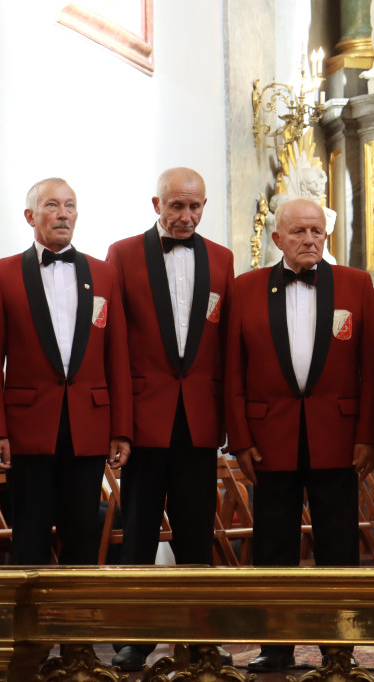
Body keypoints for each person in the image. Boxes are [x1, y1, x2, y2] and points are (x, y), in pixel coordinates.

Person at [225, 197, 374, 672]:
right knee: (273, 547)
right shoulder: (245, 288)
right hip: (269, 440)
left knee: (339, 548)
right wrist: (239, 438)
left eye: (316, 231)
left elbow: (371, 368)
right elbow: (233, 370)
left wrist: (368, 434)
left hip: (338, 438)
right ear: (278, 239)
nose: (310, 239)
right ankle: (276, 646)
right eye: (298, 232)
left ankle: (340, 647)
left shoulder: (355, 284)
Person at [105, 168, 234, 671]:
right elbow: (114, 343)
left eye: (194, 207)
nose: (186, 216)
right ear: (155, 203)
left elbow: (226, 348)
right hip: (143, 419)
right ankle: (136, 636)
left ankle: (199, 635)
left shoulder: (221, 260)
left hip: (200, 420)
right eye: (176, 206)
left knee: (196, 534)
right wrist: (119, 424)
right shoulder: (121, 254)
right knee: (137, 534)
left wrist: (228, 422)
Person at [0, 178, 131, 567]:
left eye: (70, 205)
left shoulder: (104, 274)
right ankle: (30, 624)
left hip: (89, 423)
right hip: (28, 427)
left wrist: (121, 430)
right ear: (30, 216)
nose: (63, 214)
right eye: (51, 205)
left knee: (83, 534)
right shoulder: (3, 273)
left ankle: (78, 622)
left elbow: (118, 358)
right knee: (28, 534)